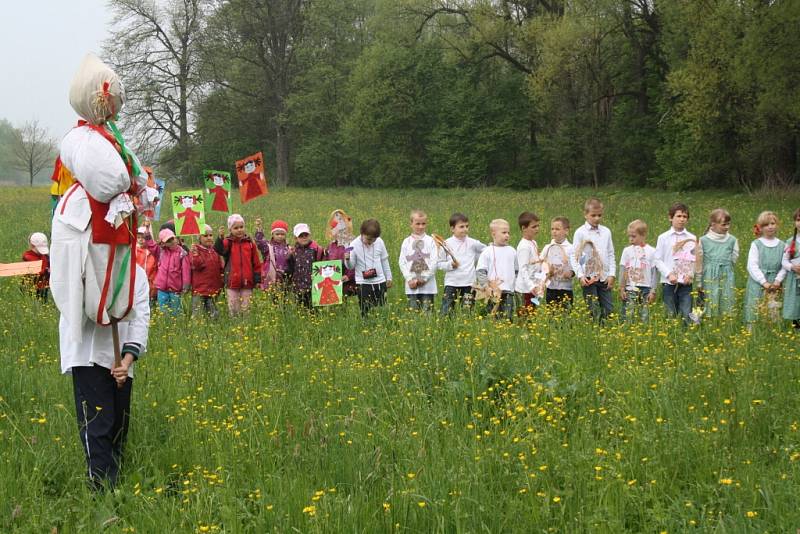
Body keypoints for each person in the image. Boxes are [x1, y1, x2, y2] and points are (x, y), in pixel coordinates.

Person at [570, 198, 616, 322]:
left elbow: (611, 254)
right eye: (593, 215)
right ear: (585, 215)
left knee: (608, 309)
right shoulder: (580, 233)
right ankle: (595, 331)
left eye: (599, 215)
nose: (597, 218)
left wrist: (612, 274)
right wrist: (580, 275)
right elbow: (574, 256)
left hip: (604, 276)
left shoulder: (606, 232)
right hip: (588, 277)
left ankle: (606, 330)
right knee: (592, 308)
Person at [654, 202, 696, 323]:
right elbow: (657, 259)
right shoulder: (663, 237)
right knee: (670, 312)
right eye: (678, 216)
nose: (682, 219)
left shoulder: (692, 238)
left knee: (686, 311)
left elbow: (694, 259)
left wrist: (690, 274)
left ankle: (687, 334)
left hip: (686, 282)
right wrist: (668, 274)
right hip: (669, 282)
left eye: (685, 216)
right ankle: (672, 334)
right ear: (670, 217)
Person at [437, 212, 486, 315]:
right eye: (461, 227)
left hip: (469, 283)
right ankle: (445, 327)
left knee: (468, 311)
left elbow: (486, 252)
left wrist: (477, 260)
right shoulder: (446, 244)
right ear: (452, 229)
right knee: (446, 310)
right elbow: (439, 263)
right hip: (451, 283)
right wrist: (450, 265)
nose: (465, 229)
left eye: (467, 226)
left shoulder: (473, 243)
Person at [744, 211, 786, 325]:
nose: (770, 227)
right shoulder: (756, 244)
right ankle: (752, 331)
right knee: (755, 306)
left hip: (775, 281)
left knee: (774, 308)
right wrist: (764, 282)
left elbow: (785, 265)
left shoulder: (782, 245)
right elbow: (752, 265)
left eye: (772, 223)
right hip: (758, 282)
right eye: (766, 225)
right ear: (760, 227)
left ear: (777, 225)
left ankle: (772, 331)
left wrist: (778, 280)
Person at [215, 214, 262, 315]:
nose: (239, 230)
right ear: (230, 229)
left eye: (241, 227)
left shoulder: (249, 243)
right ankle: (235, 324)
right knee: (233, 308)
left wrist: (257, 279)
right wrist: (220, 238)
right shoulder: (228, 242)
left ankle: (246, 325)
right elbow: (219, 250)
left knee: (246, 308)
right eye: (235, 228)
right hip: (232, 282)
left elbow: (256, 263)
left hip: (247, 282)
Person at [345, 219, 394, 316]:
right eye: (368, 239)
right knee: (366, 310)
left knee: (382, 309)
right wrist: (347, 259)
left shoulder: (379, 242)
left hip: (380, 281)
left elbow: (384, 260)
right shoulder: (354, 245)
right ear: (362, 233)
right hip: (363, 283)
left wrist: (389, 277)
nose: (370, 242)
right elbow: (351, 266)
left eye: (373, 240)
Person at [698, 209, 739, 317]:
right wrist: (699, 280)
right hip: (709, 275)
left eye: (728, 224)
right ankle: (708, 321)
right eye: (723, 224)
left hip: (726, 274)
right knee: (710, 297)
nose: (727, 227)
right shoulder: (703, 240)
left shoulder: (732, 240)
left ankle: (725, 320)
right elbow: (699, 261)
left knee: (726, 296)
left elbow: (734, 258)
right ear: (713, 224)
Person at [476, 219, 518, 321]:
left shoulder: (512, 251)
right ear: (493, 234)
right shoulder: (487, 251)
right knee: (490, 316)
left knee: (507, 317)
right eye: (504, 232)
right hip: (492, 292)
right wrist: (486, 287)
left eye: (508, 233)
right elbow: (481, 271)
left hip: (508, 291)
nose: (507, 235)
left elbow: (516, 271)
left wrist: (514, 285)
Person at [146, 228, 191, 316]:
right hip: (162, 288)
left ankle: (177, 326)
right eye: (168, 241)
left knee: (176, 311)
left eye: (172, 239)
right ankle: (167, 323)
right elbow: (151, 246)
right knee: (163, 310)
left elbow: (186, 271)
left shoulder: (182, 253)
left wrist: (186, 285)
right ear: (163, 243)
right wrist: (147, 233)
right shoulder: (161, 252)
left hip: (175, 289)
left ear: (175, 238)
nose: (172, 242)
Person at [399, 209, 438, 311]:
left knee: (427, 313)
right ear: (411, 224)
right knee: (413, 313)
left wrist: (424, 278)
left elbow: (434, 262)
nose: (421, 226)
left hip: (428, 286)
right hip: (412, 286)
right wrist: (409, 279)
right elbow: (402, 262)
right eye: (417, 224)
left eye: (423, 223)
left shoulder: (430, 241)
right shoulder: (406, 242)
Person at [619, 220, 657, 322]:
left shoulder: (652, 251)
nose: (631, 239)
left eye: (634, 236)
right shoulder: (627, 251)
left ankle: (644, 330)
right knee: (629, 313)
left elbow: (654, 273)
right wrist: (622, 288)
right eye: (629, 236)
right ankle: (627, 329)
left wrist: (653, 290)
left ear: (643, 235)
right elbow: (623, 269)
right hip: (630, 287)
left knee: (645, 314)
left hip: (646, 288)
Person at [190, 225, 224, 318]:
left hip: (213, 288)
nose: (209, 238)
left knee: (214, 315)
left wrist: (221, 280)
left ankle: (214, 330)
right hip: (200, 289)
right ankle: (197, 330)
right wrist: (196, 255)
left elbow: (220, 267)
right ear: (199, 238)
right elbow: (197, 266)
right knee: (198, 315)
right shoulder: (195, 250)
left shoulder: (215, 251)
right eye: (205, 236)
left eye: (211, 235)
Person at [288, 223, 323, 308]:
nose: (304, 237)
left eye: (306, 235)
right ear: (296, 238)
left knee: (314, 311)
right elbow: (291, 268)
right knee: (301, 309)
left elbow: (322, 264)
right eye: (301, 236)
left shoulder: (316, 249)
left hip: (314, 287)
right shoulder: (293, 252)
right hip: (298, 287)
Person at [541, 216, 574, 308]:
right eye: (552, 229)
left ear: (566, 231)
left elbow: (578, 264)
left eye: (557, 229)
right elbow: (541, 263)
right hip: (551, 287)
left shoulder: (571, 248)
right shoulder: (547, 248)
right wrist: (547, 271)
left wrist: (571, 273)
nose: (554, 231)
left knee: (566, 312)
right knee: (551, 312)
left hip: (566, 287)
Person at [324, 210, 357, 298]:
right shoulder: (331, 246)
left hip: (349, 285)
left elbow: (355, 261)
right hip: (333, 284)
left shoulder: (352, 244)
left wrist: (348, 276)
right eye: (334, 227)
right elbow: (326, 262)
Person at [255, 219, 293, 291]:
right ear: (272, 234)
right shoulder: (268, 247)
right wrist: (259, 230)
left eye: (282, 234)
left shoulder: (288, 248)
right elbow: (260, 242)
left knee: (283, 298)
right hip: (270, 279)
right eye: (277, 234)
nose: (280, 236)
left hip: (284, 280)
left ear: (285, 235)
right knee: (270, 298)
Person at [514, 211, 541, 313]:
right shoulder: (524, 246)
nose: (537, 229)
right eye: (534, 227)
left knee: (532, 314)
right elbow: (523, 269)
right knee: (524, 316)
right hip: (524, 289)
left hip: (533, 286)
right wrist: (531, 286)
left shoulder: (533, 242)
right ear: (523, 228)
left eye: (538, 226)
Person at [22, 232, 50, 302]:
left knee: (43, 304)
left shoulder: (45, 256)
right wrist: (47, 270)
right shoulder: (28, 257)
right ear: (32, 246)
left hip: (43, 286)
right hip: (32, 287)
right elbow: (35, 272)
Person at [135, 224, 157, 305]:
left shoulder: (151, 252)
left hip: (149, 284)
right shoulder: (133, 250)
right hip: (136, 283)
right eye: (139, 237)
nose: (141, 240)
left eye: (143, 238)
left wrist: (153, 285)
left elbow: (154, 270)